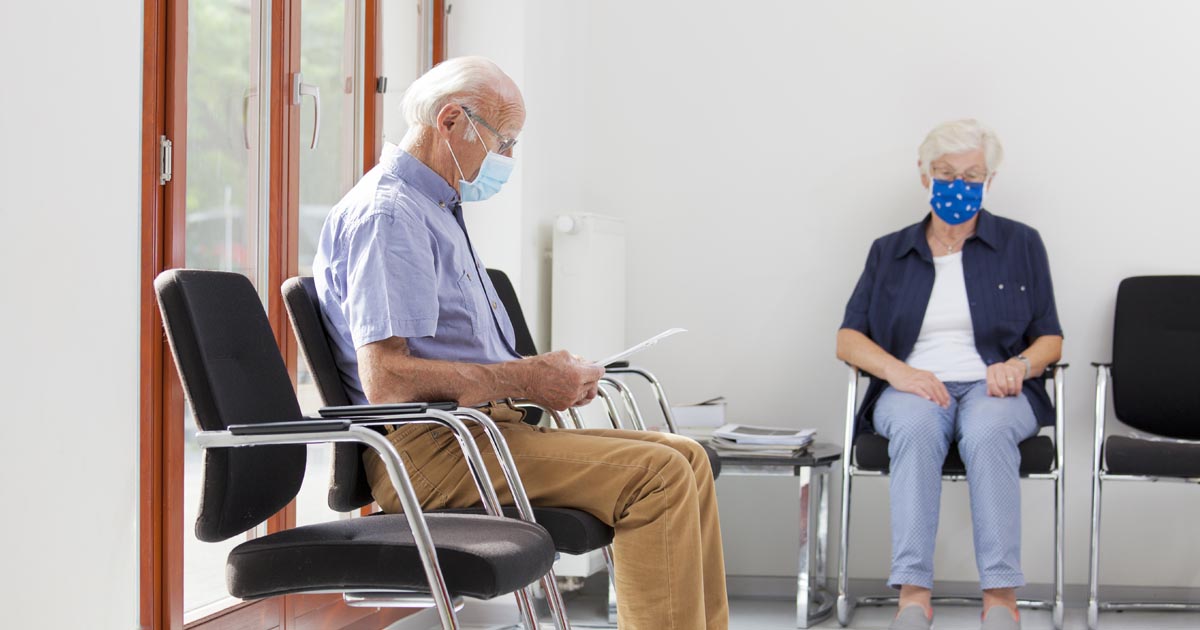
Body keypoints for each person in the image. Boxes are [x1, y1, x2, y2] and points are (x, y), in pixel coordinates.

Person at [312, 56, 728, 630]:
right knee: (658, 475)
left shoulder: (436, 210)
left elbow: (464, 359)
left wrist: (545, 376)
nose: (508, 158)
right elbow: (387, 379)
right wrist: (525, 379)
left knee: (686, 457)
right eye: (503, 140)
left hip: (482, 434)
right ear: (451, 121)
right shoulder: (391, 216)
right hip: (434, 452)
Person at [836, 120, 1063, 630]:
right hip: (915, 386)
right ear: (924, 176)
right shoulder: (889, 251)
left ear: (990, 179)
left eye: (972, 175)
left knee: (987, 429)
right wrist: (900, 372)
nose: (959, 186)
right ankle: (913, 596)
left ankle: (1000, 600)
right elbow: (847, 339)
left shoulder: (1021, 244)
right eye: (946, 174)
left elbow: (1051, 337)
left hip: (996, 386)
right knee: (914, 429)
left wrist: (1019, 365)